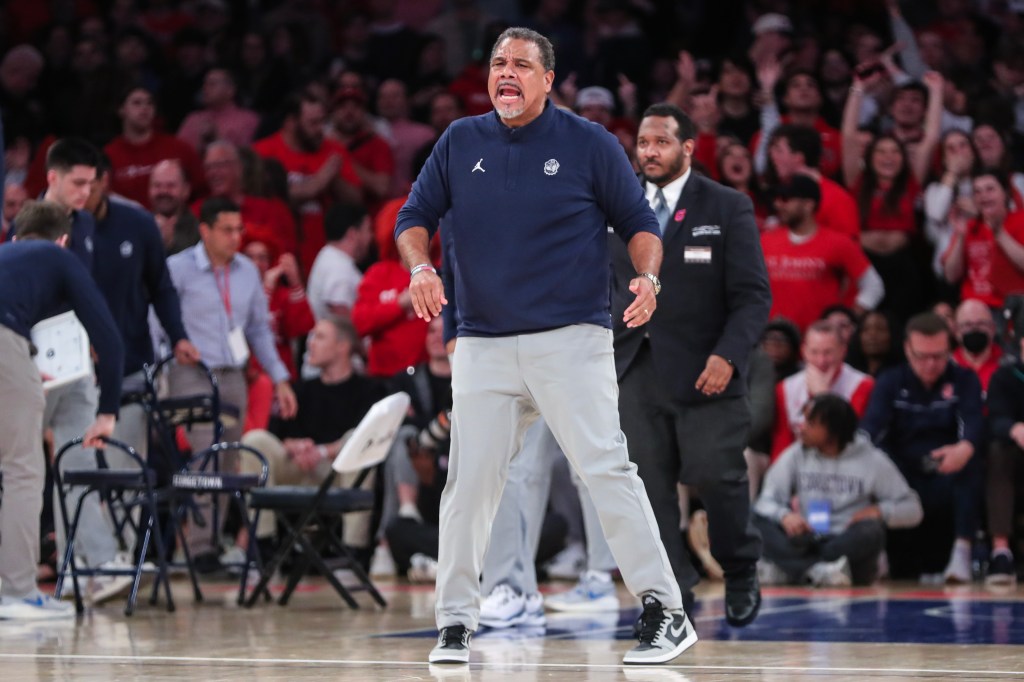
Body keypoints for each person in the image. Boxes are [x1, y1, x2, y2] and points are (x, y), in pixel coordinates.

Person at [396, 27, 693, 666]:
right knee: (467, 485)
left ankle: (665, 610)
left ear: (547, 79)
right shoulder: (459, 140)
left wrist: (648, 275)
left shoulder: (588, 143)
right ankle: (453, 623)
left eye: (521, 65)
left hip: (570, 339)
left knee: (606, 469)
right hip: (482, 343)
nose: (506, 73)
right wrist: (422, 269)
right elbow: (412, 218)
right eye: (498, 63)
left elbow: (641, 223)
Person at [607, 102, 771, 628]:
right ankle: (671, 593)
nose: (649, 152)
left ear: (688, 148)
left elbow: (752, 296)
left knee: (718, 479)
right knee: (647, 491)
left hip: (708, 369)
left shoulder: (726, 206)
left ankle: (741, 568)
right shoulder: (616, 205)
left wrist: (729, 354)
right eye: (643, 143)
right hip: (635, 367)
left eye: (660, 142)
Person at [0, 200, 123, 620]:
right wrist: (107, 412)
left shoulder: (5, 255)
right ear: (65, 240)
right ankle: (16, 593)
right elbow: (108, 337)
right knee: (22, 469)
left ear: (15, 237)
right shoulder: (58, 256)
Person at [166, 196, 298, 569]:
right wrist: (170, 349)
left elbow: (258, 329)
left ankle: (208, 543)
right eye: (227, 229)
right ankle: (197, 547)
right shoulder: (178, 269)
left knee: (229, 459)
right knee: (205, 452)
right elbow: (156, 318)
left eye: (239, 229)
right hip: (191, 372)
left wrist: (281, 378)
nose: (236, 237)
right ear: (204, 230)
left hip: (234, 374)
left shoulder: (245, 272)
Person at [241, 317, 386, 552]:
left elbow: (366, 437)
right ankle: (263, 546)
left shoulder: (370, 390)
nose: (311, 344)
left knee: (357, 440)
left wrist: (321, 452)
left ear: (343, 346)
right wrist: (294, 446)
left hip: (338, 471)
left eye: (319, 337)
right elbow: (277, 437)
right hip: (298, 468)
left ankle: (353, 550)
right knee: (254, 440)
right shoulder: (300, 390)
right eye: (310, 337)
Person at [861, 312, 984, 583]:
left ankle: (962, 553)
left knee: (973, 461)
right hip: (900, 474)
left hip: (947, 469)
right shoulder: (890, 381)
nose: (930, 364)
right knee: (867, 461)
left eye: (938, 356)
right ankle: (874, 555)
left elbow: (973, 422)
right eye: (922, 356)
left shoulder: (964, 379)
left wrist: (964, 447)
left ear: (949, 350)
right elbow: (870, 429)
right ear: (907, 350)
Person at [754, 394, 923, 586]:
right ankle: (815, 571)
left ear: (833, 429)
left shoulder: (872, 460)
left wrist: (880, 511)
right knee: (754, 519)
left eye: (811, 422)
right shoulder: (797, 453)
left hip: (844, 546)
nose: (802, 427)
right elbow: (765, 501)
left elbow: (913, 509)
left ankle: (793, 570)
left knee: (872, 531)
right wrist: (785, 516)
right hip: (807, 538)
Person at [761, 173, 884, 332]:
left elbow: (874, 286)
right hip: (773, 341)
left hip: (820, 345)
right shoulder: (765, 241)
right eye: (776, 199)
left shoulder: (838, 242)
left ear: (808, 205)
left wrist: (848, 318)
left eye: (785, 199)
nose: (778, 204)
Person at [770, 321, 874, 460]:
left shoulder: (863, 385)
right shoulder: (785, 388)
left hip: (845, 461)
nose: (821, 361)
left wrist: (823, 396)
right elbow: (782, 444)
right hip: (800, 463)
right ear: (804, 351)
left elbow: (850, 437)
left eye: (828, 352)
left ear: (843, 351)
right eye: (814, 352)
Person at [984, 323, 1024, 585]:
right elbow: (994, 420)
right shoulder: (1005, 377)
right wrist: (1015, 428)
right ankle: (1001, 552)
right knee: (997, 453)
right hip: (1016, 455)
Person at [308, 202, 374, 321]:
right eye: (368, 229)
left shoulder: (329, 256)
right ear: (352, 234)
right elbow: (339, 314)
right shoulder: (339, 268)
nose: (371, 237)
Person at [951, 298, 1003, 396]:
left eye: (981, 323)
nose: (974, 329)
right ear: (956, 331)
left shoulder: (1010, 368)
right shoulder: (945, 368)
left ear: (993, 329)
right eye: (967, 324)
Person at [149, 159, 200, 256]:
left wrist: (171, 243)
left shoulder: (199, 230)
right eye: (157, 185)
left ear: (186, 190)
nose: (163, 191)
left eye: (170, 185)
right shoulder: (138, 226)